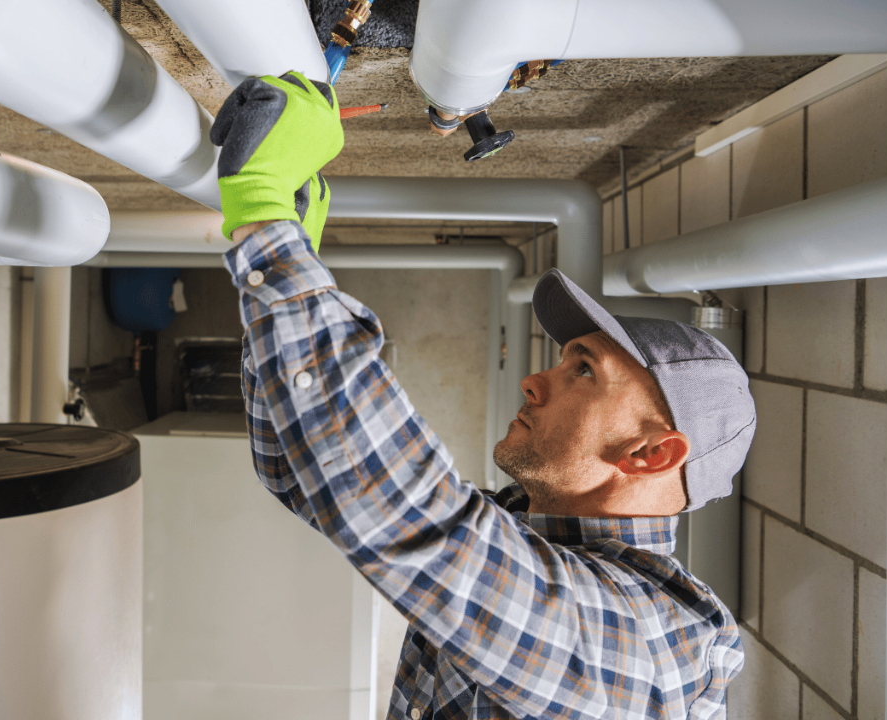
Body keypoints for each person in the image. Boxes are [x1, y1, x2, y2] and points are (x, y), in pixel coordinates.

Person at [208, 71, 756, 719]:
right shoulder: (534, 536)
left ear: (651, 453)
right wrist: (288, 254)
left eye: (582, 371)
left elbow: (415, 520)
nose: (535, 380)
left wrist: (268, 221)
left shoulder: (653, 643)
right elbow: (308, 476)